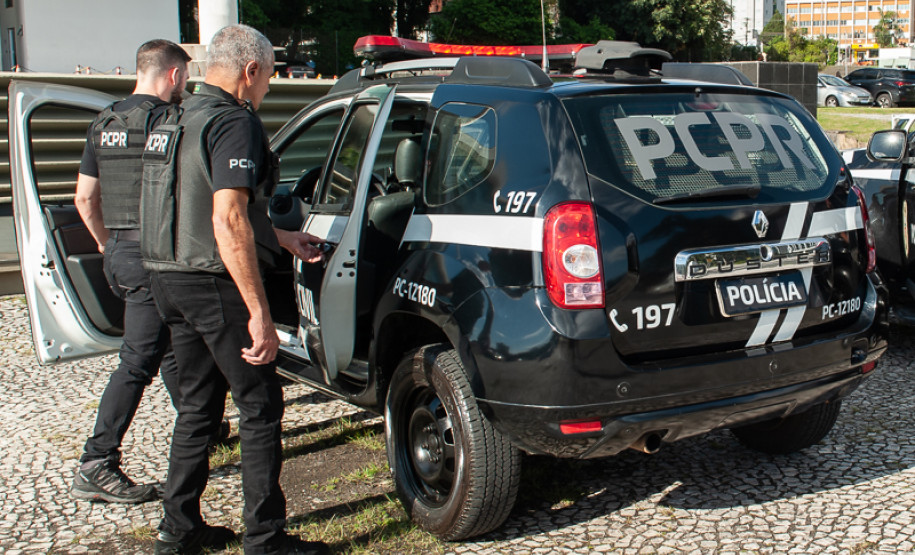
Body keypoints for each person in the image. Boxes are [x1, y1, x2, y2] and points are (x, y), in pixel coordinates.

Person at [142, 25, 328, 554]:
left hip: (168, 279)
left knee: (198, 407)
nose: (267, 87)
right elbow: (227, 218)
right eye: (269, 77)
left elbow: (192, 203)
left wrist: (283, 236)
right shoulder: (233, 122)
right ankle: (266, 540)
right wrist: (258, 312)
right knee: (259, 406)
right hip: (212, 281)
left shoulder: (174, 118)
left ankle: (178, 530)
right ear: (249, 71)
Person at [71, 39, 191, 504]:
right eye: (184, 78)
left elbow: (84, 198)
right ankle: (97, 462)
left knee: (167, 347)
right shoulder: (168, 121)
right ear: (174, 75)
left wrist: (106, 243)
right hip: (155, 254)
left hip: (119, 251)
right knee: (138, 360)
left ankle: (199, 424)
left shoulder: (104, 122)